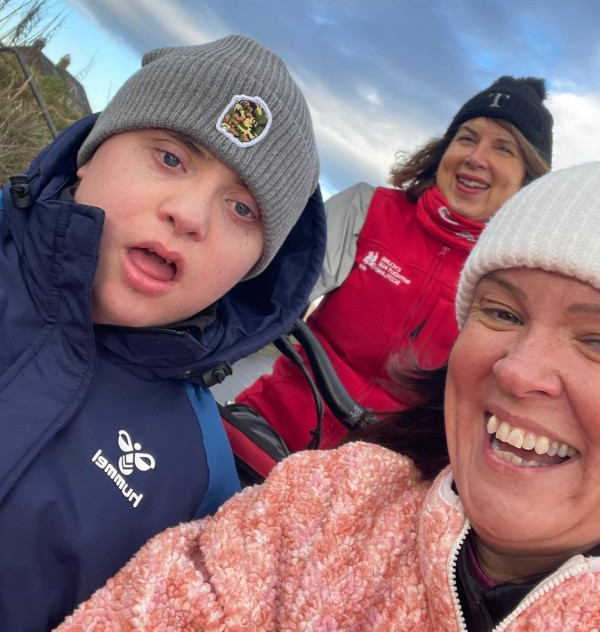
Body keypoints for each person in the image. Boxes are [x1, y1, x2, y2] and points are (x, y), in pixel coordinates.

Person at [54, 160, 600, 632]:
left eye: (597, 341)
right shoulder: (326, 501)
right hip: (280, 426)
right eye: (502, 313)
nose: (518, 371)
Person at [0, 35, 325, 632]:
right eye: (171, 158)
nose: (189, 215)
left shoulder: (200, 488)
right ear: (92, 152)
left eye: (242, 209)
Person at [236, 75, 553, 452]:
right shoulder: (365, 208)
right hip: (265, 427)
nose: (476, 157)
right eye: (467, 138)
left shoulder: (513, 280)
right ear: (444, 150)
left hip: (376, 475)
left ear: (528, 179)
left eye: (503, 148)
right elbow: (270, 295)